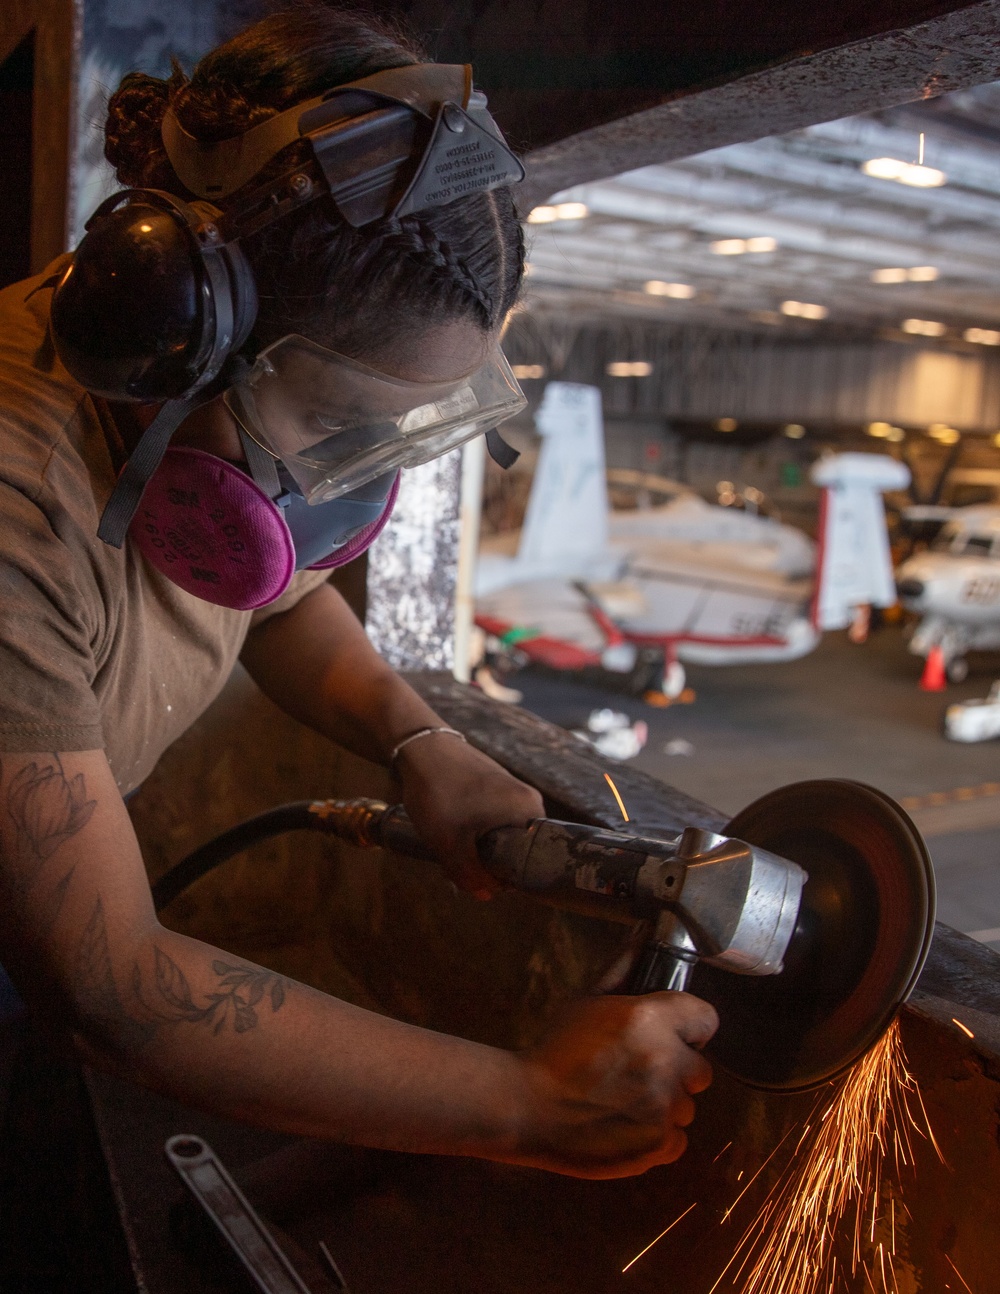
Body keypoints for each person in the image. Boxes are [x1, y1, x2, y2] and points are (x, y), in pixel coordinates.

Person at [0, 0, 716, 1184]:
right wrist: (531, 1102)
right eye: (335, 426)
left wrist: (413, 733)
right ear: (172, 317)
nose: (338, 482)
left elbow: (268, 592)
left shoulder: (181, 425)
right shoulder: (19, 496)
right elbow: (109, 985)